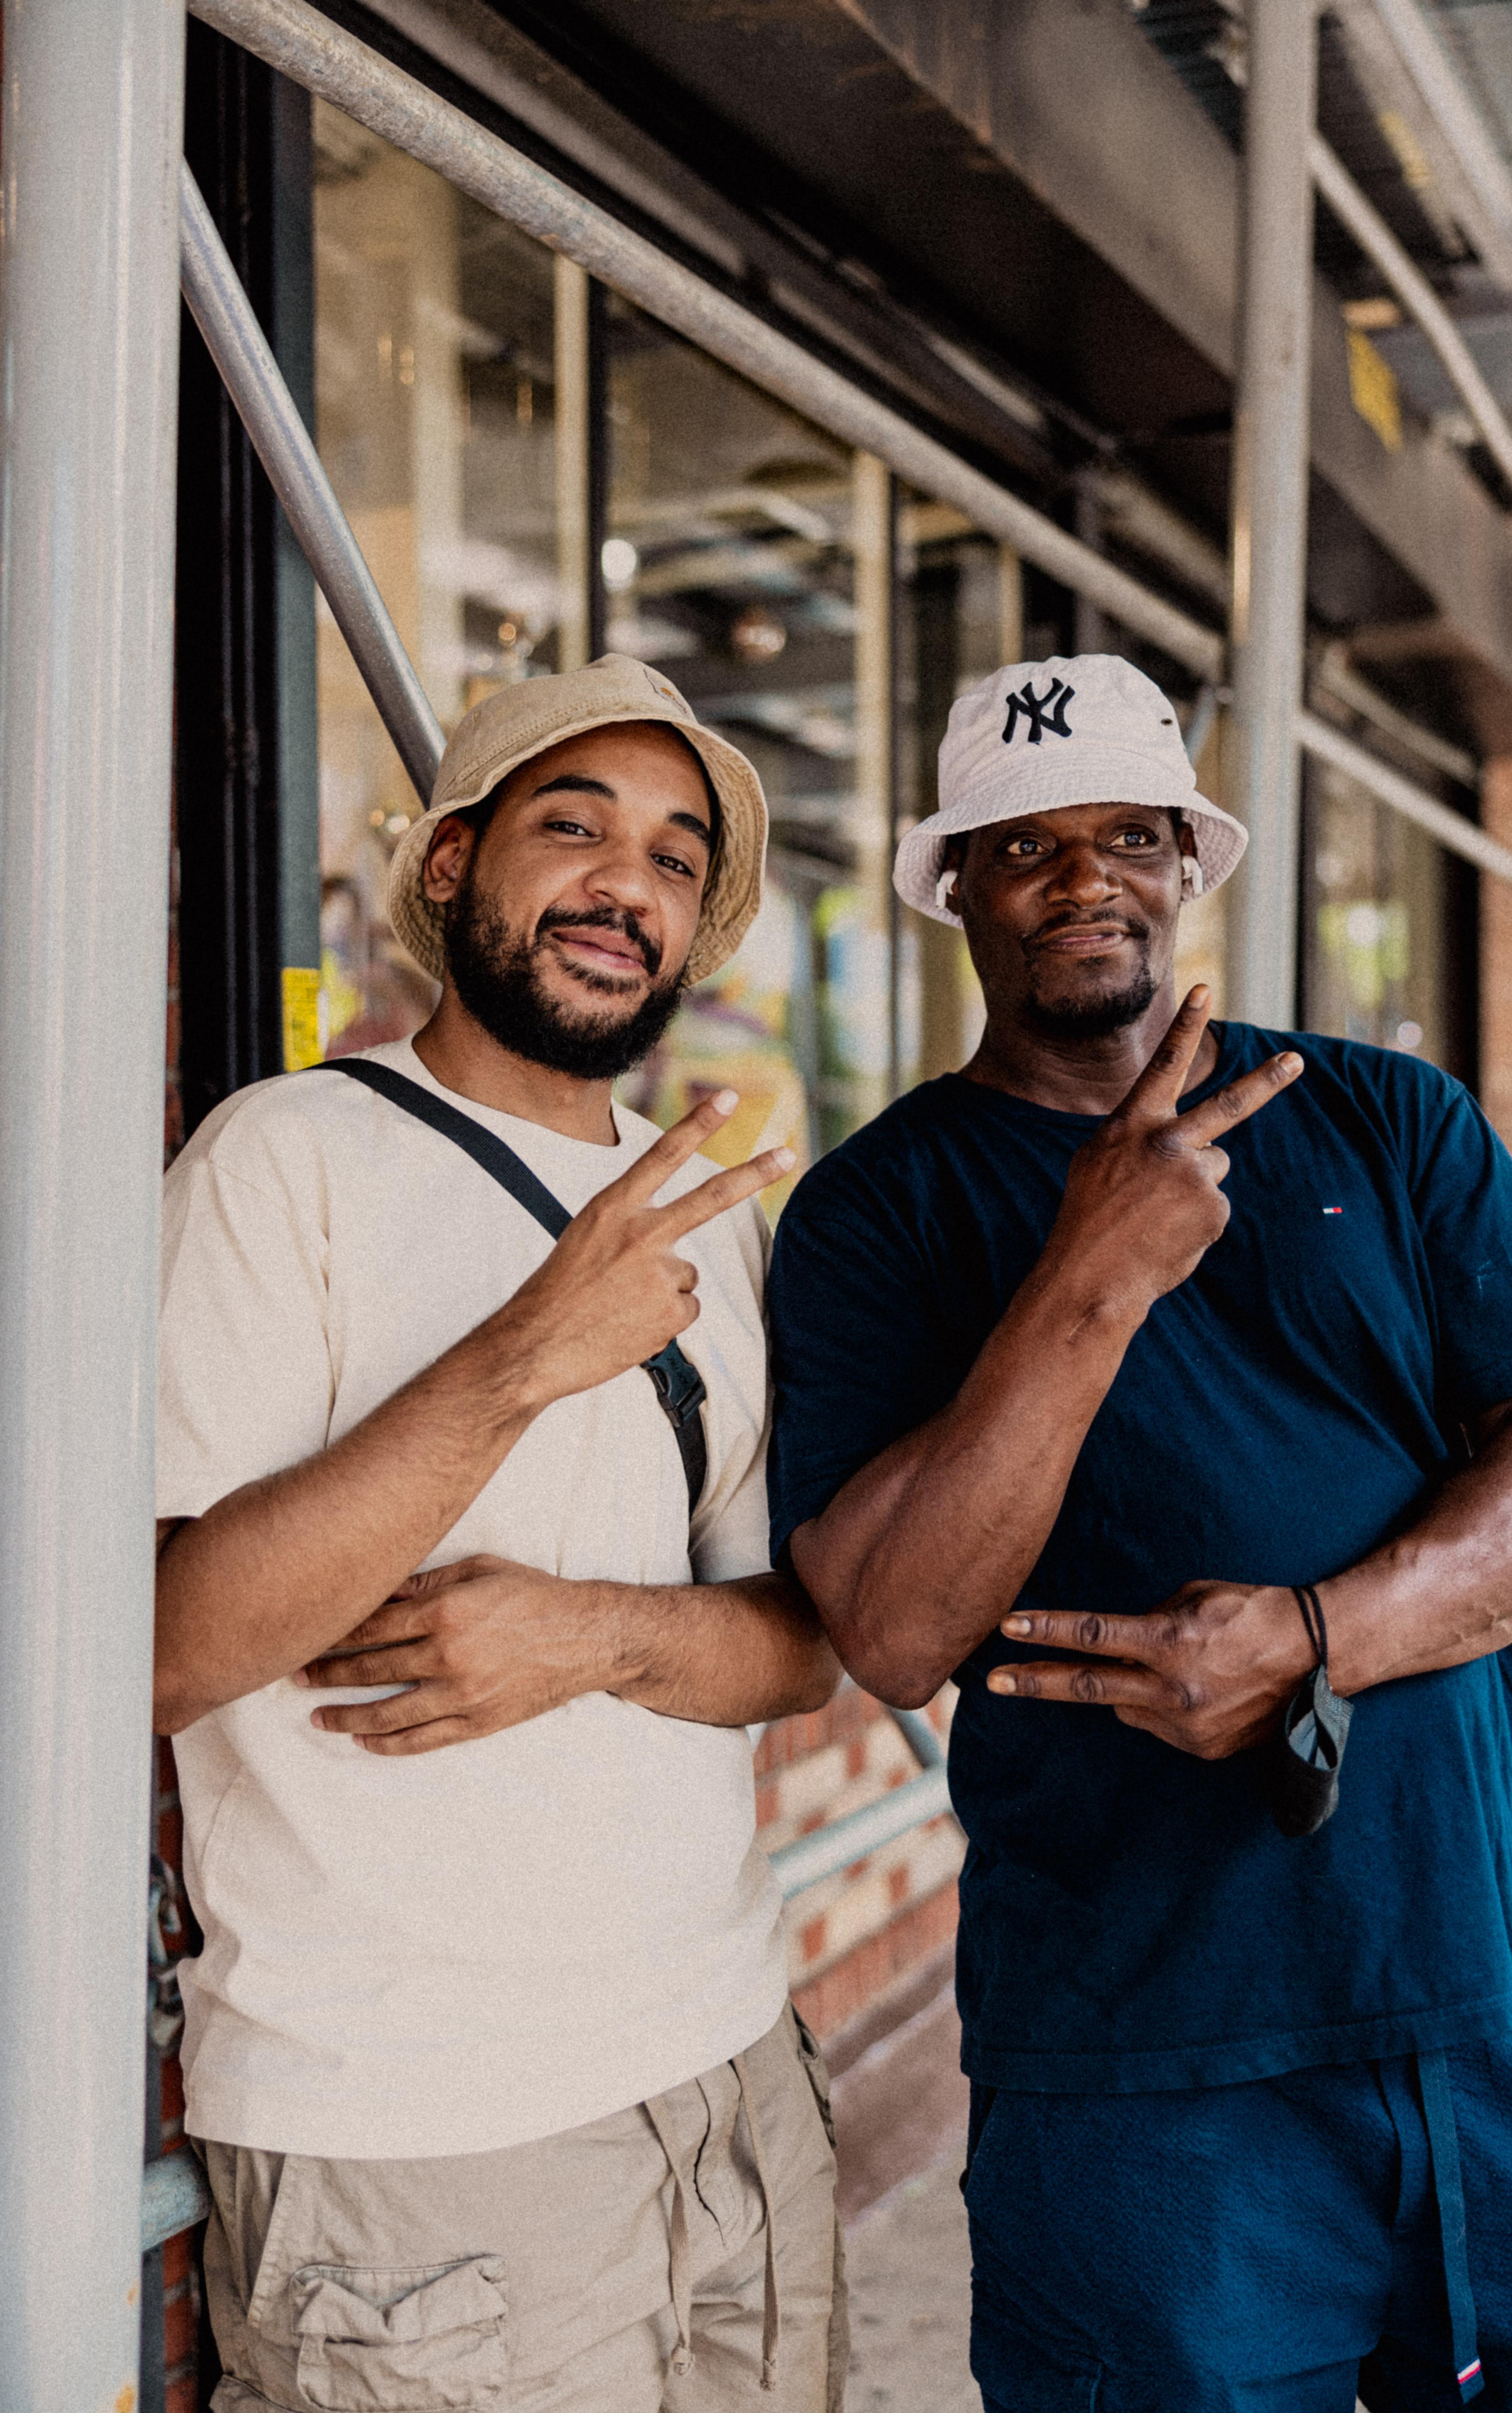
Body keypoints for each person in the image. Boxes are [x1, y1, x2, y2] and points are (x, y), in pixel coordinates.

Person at [766, 651, 1512, 2413]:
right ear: (957, 892)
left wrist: (1311, 1639)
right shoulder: (878, 1211)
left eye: (1131, 837)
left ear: (1189, 865)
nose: (1088, 878)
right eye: (1030, 847)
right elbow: (896, 1631)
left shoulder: (1387, 1121)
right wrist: (1093, 1271)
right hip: (1140, 2054)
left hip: (1490, 1996)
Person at [155, 654, 846, 2413]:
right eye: (575, 826)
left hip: (732, 2073)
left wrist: (594, 1634)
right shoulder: (280, 1162)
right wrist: (530, 1353)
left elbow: (796, 1644)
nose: (631, 883)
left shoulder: (712, 1228)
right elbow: (160, 1650)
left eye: (680, 859)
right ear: (452, 864)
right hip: (418, 2141)